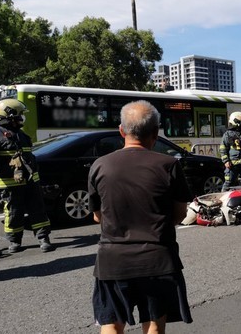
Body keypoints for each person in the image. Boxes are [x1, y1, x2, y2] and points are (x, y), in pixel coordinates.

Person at [88, 100, 193, 333]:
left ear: (121, 130)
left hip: (112, 261)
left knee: (112, 326)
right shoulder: (168, 165)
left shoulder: (100, 165)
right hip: (158, 261)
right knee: (154, 325)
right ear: (156, 132)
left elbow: (98, 217)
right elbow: (180, 214)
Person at [0, 98, 53, 253]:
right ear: (10, 114)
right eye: (20, 114)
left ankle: (44, 238)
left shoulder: (21, 134)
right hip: (8, 183)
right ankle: (15, 241)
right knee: (13, 212)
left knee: (38, 209)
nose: (22, 117)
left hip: (30, 181)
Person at [219, 111, 241, 191]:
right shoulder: (227, 134)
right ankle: (223, 198)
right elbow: (223, 148)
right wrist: (226, 161)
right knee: (229, 182)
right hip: (232, 164)